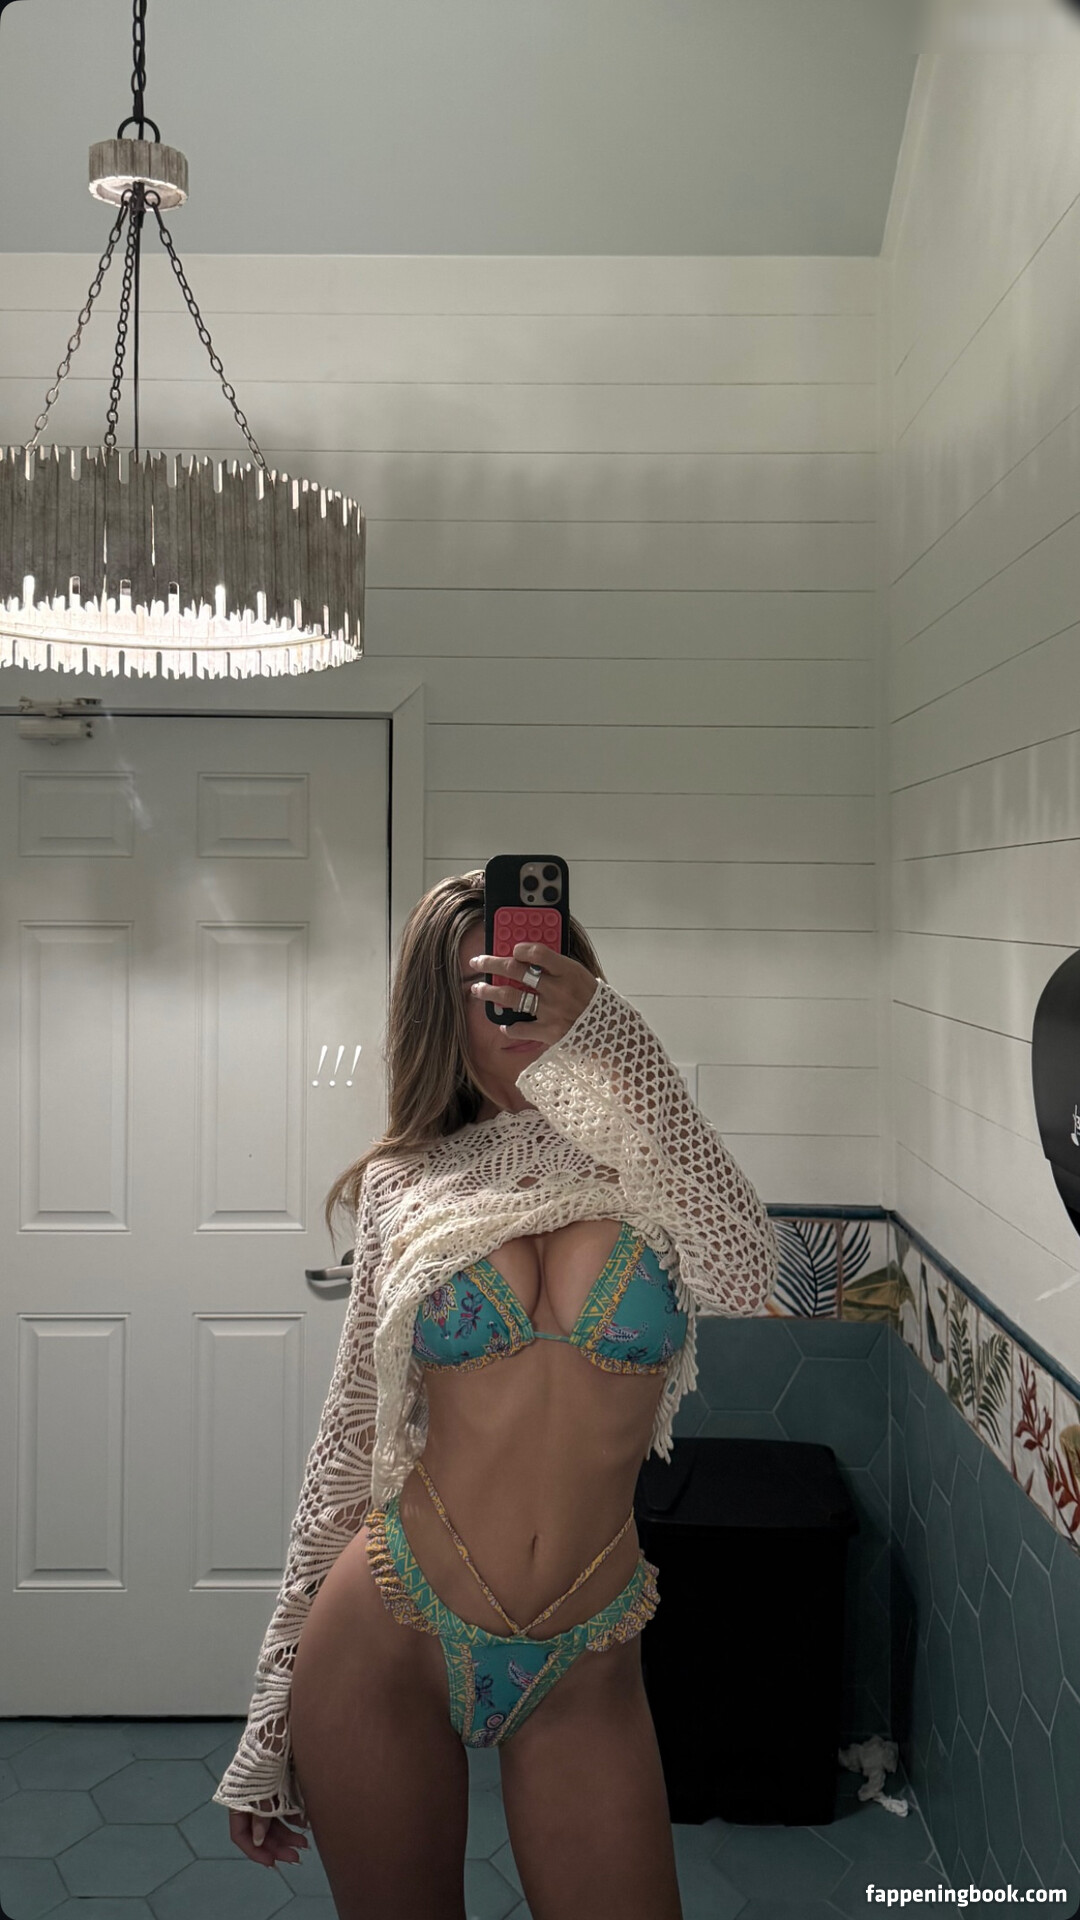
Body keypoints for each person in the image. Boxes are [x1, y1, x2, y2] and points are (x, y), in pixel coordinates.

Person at [212, 870, 779, 1919]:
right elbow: (350, 1442)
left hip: (586, 1657)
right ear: (444, 1010)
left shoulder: (644, 1164)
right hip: (388, 1634)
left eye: (543, 975)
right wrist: (270, 1711)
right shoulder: (407, 1182)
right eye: (494, 988)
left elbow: (754, 1271)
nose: (523, 1004)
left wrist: (616, 1042)